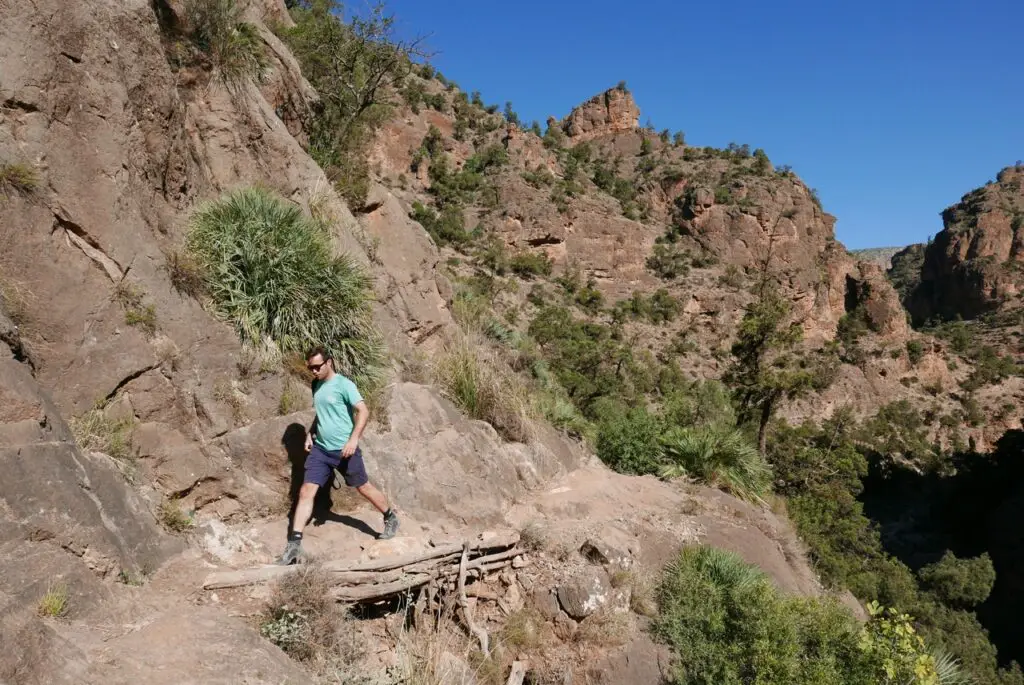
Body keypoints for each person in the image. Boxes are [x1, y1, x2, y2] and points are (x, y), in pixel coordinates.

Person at [277, 346, 399, 565]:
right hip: (322, 450)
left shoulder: (344, 384)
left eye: (317, 367)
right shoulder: (316, 385)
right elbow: (322, 413)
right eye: (310, 368)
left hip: (345, 450)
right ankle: (294, 545)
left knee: (363, 487)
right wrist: (311, 433)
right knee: (305, 492)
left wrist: (353, 440)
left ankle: (390, 517)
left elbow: (363, 411)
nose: (313, 371)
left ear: (329, 362)